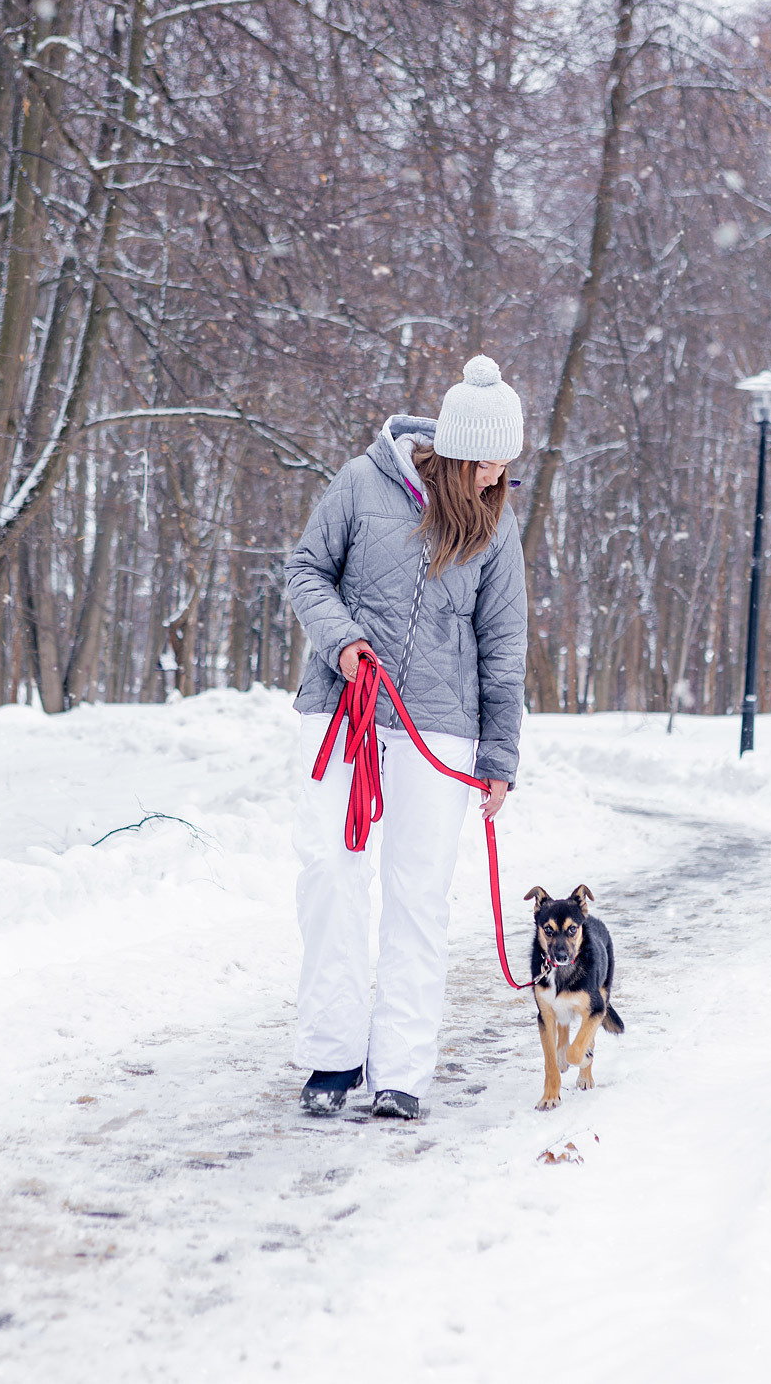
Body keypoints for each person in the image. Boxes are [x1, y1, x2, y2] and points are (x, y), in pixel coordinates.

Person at [284, 354, 527, 1119]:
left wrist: (498, 756)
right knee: (329, 872)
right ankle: (332, 1055)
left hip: (441, 729)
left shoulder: (496, 520)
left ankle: (400, 1070)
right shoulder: (360, 483)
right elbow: (305, 572)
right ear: (455, 453)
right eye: (489, 463)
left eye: (505, 466)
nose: (498, 479)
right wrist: (343, 640)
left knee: (417, 895)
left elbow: (504, 641)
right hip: (344, 709)